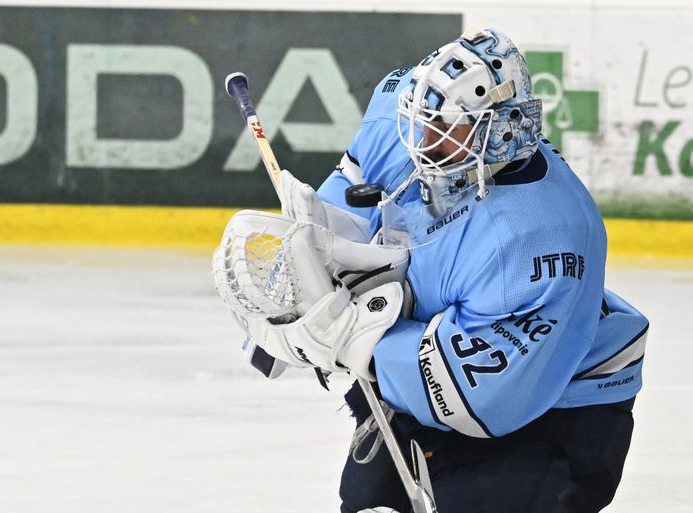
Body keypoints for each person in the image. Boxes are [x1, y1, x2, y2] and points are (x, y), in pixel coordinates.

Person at [213, 28, 648, 513]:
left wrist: (351, 338)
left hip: (555, 410)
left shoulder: (545, 236)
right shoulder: (408, 112)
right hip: (440, 351)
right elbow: (353, 192)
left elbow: (479, 400)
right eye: (420, 121)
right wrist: (308, 269)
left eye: (445, 130)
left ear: (501, 131)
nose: (422, 141)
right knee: (369, 502)